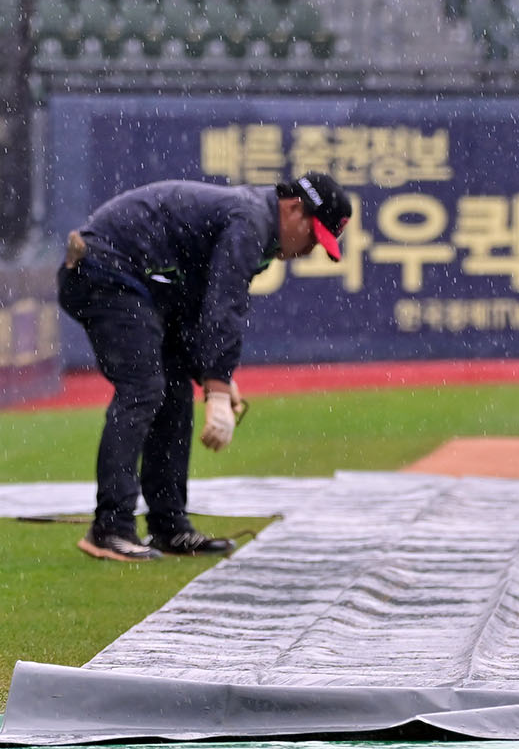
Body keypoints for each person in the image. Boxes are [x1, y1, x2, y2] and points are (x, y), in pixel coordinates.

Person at [58, 173, 351, 562]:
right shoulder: (251, 222)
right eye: (313, 236)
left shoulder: (256, 226)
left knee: (174, 387)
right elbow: (222, 303)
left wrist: (213, 376)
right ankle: (110, 527)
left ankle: (169, 526)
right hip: (105, 268)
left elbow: (191, 310)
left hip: (128, 276)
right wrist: (215, 386)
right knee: (143, 389)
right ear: (294, 208)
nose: (310, 248)